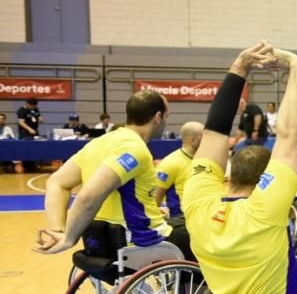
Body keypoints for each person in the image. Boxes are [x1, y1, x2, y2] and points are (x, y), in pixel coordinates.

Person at [182, 41, 297, 294]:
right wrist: (294, 64)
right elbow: (290, 134)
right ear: (265, 181)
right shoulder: (266, 210)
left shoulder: (197, 204)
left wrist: (240, 66)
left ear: (228, 175)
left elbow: (213, 132)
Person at [34, 90, 193, 259]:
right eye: (166, 117)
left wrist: (57, 228)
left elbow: (57, 183)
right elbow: (88, 196)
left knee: (186, 221)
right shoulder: (135, 149)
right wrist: (68, 239)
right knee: (207, 237)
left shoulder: (97, 143)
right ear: (158, 117)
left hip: (103, 235)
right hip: (140, 239)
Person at [153, 121, 204, 221]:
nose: (209, 140)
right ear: (193, 141)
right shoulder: (170, 163)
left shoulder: (205, 159)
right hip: (182, 221)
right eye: (204, 137)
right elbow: (155, 198)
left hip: (203, 217)